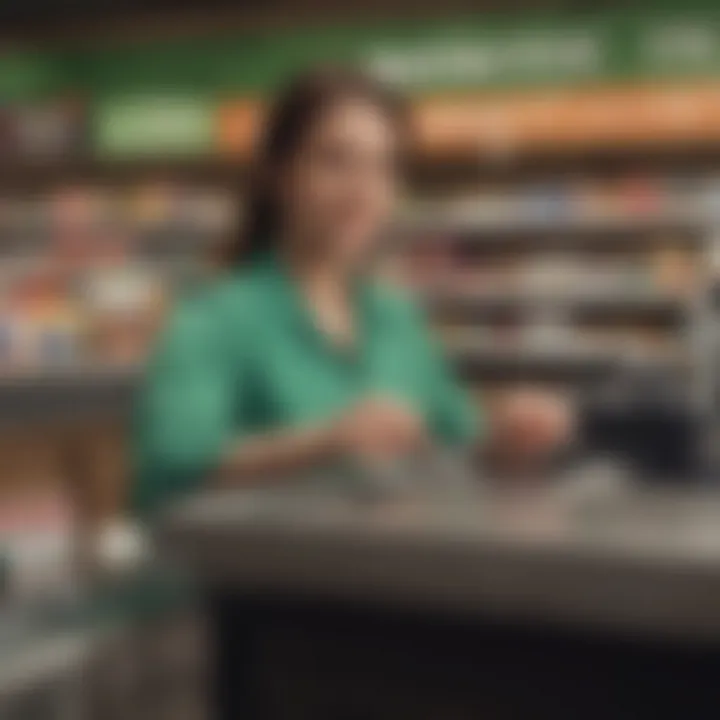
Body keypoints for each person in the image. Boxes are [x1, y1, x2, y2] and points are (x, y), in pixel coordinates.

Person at [132, 67, 571, 514]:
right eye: (335, 161)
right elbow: (171, 470)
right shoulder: (215, 318)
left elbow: (463, 441)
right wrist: (326, 441)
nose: (363, 190)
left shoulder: (397, 319)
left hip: (382, 575)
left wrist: (511, 437)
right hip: (256, 580)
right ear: (280, 174)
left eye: (382, 167)